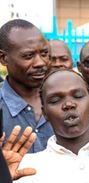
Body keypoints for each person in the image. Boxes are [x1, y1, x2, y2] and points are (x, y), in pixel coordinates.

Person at [0, 19, 53, 153]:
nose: (40, 63)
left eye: (44, 54)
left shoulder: (66, 99)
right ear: (3, 58)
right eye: (28, 56)